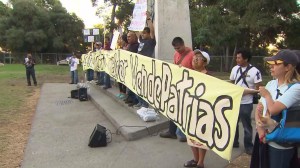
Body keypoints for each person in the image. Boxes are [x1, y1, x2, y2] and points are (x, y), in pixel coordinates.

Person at [250, 49, 300, 168]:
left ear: (288, 67)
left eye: (276, 63)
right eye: (271, 63)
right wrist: (261, 132)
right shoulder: (271, 84)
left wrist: (267, 95)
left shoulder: (296, 88)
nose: (271, 66)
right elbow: (259, 109)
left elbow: (273, 109)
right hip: (264, 137)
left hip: (281, 142)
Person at [159, 37, 194, 142]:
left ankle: (184, 134)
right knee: (173, 109)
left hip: (188, 87)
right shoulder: (176, 55)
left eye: (179, 48)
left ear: (183, 44)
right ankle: (172, 131)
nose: (177, 50)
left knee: (186, 112)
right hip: (178, 86)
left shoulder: (192, 55)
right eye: (175, 49)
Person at [229, 49, 262, 155]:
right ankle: (234, 142)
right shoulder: (235, 69)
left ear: (246, 59)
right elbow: (232, 84)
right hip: (235, 101)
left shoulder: (255, 71)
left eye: (239, 57)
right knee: (233, 123)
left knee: (246, 125)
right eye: (236, 57)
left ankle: (248, 146)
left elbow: (258, 89)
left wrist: (246, 92)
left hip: (246, 103)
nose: (237, 59)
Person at [183, 49, 211, 168]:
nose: (194, 59)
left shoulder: (208, 77)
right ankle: (195, 159)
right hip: (190, 110)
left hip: (202, 112)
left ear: (204, 62)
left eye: (198, 57)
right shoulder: (190, 74)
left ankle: (201, 162)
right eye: (194, 57)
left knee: (201, 137)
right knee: (190, 136)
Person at [133, 11, 156, 109]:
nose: (142, 34)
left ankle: (144, 104)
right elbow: (136, 32)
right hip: (138, 65)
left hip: (146, 67)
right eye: (142, 33)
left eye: (144, 33)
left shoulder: (151, 41)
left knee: (144, 86)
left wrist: (148, 18)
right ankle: (140, 101)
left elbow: (152, 30)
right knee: (137, 85)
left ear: (148, 34)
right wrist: (134, 20)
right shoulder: (142, 40)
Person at [123, 31, 139, 107]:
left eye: (129, 36)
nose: (128, 38)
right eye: (127, 36)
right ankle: (130, 98)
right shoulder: (129, 45)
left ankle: (135, 100)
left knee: (134, 85)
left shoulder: (137, 46)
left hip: (134, 68)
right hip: (128, 68)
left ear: (134, 37)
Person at [115, 34, 128, 99]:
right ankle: (121, 92)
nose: (120, 41)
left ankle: (124, 92)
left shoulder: (127, 47)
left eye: (121, 39)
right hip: (120, 66)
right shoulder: (120, 47)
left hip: (125, 66)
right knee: (119, 80)